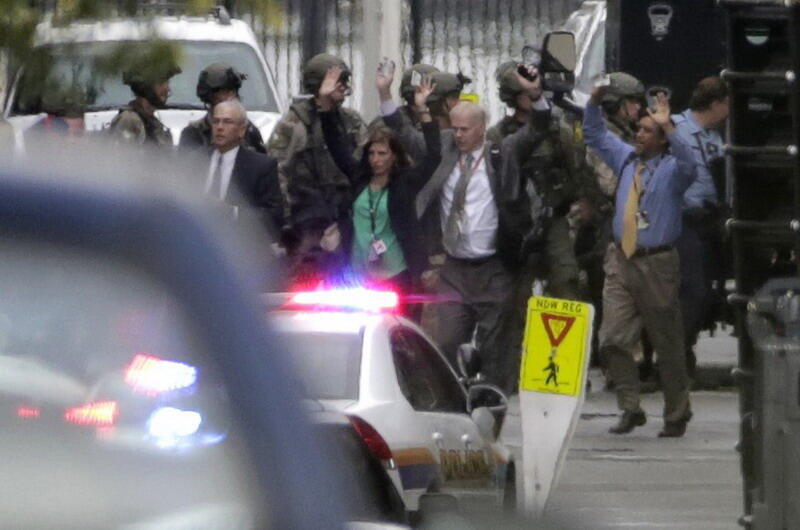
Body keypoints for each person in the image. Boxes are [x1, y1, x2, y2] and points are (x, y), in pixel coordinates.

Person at [393, 66, 546, 389]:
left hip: (492, 268)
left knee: (494, 352)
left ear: (481, 129)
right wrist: (387, 97)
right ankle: (454, 405)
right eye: (455, 128)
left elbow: (536, 131)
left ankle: (492, 411)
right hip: (454, 270)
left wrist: (535, 96)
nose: (458, 134)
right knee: (445, 343)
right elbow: (408, 138)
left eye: (465, 129)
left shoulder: (501, 153)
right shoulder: (445, 149)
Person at [584, 84, 698, 437]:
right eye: (639, 129)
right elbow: (594, 133)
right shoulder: (626, 158)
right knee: (612, 338)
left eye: (648, 131)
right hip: (621, 258)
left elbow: (690, 164)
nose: (639, 135)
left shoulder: (672, 170)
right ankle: (630, 407)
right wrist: (594, 101)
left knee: (666, 342)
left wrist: (670, 127)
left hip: (657, 263)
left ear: (661, 138)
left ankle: (677, 411)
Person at [317, 66, 440, 294]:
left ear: (394, 157)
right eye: (372, 153)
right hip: (357, 275)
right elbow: (337, 144)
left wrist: (423, 109)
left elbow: (434, 156)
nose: (376, 160)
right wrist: (326, 105)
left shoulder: (405, 184)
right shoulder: (359, 178)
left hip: (396, 275)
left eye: (382, 154)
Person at [267, 53, 367, 256]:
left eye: (343, 82)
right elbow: (276, 173)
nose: (342, 87)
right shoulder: (293, 124)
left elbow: (365, 169)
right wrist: (285, 221)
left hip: (346, 218)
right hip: (305, 220)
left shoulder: (352, 121)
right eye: (337, 82)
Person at [672, 76, 729, 378]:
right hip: (683, 221)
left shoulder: (716, 137)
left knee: (705, 292)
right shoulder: (676, 129)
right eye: (728, 104)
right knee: (691, 290)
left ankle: (685, 345)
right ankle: (677, 357)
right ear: (716, 103)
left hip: (710, 220)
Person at [206, 100, 284, 232]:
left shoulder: (261, 166)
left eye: (227, 122)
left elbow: (273, 218)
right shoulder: (194, 159)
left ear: (242, 130)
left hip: (239, 243)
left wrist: (232, 213)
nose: (219, 127)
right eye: (216, 121)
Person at [179, 63, 266, 154]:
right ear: (210, 97)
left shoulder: (249, 131)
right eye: (224, 92)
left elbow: (261, 163)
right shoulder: (193, 133)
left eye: (233, 91)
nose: (231, 97)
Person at [108, 55, 181, 147]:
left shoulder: (152, 123)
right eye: (161, 83)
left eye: (167, 83)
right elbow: (121, 159)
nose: (167, 89)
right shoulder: (130, 121)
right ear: (145, 86)